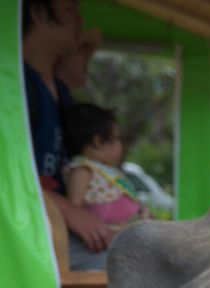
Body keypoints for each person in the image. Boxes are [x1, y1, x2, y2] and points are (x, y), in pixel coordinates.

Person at [22, 0, 115, 271]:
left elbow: (79, 65)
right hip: (29, 228)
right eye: (69, 10)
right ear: (38, 12)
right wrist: (68, 209)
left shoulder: (59, 92)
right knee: (127, 262)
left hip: (55, 223)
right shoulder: (17, 86)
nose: (80, 20)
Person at [63, 103, 145, 233]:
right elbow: (75, 210)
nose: (120, 145)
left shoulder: (106, 170)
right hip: (109, 234)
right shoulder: (83, 170)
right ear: (98, 141)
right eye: (117, 139)